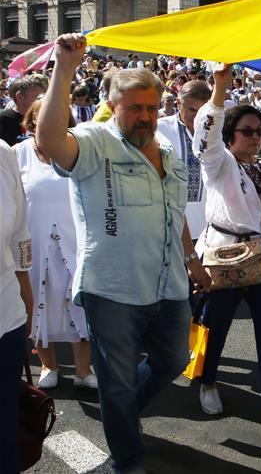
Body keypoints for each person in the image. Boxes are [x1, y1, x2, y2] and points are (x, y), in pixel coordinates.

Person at [35, 34, 201, 474]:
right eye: (134, 108)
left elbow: (175, 213)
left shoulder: (168, 153)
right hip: (113, 290)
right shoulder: (94, 143)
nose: (145, 116)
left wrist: (191, 259)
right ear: (114, 105)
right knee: (118, 382)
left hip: (169, 285)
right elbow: (52, 141)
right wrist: (65, 69)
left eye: (151, 107)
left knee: (173, 360)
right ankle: (126, 460)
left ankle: (124, 414)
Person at [192, 64, 261, 438]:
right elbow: (204, 140)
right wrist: (219, 89)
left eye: (260, 132)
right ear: (231, 136)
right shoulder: (219, 165)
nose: (255, 137)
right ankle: (207, 383)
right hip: (225, 260)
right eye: (247, 132)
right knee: (216, 327)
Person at [15, 101, 94, 390]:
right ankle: (49, 365)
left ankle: (83, 371)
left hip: (74, 238)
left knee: (79, 301)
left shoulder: (76, 149)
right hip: (33, 239)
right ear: (31, 121)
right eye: (40, 118)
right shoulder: (18, 153)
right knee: (37, 302)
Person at [0, 140, 33, 474]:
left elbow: (20, 230)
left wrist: (26, 286)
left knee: (4, 422)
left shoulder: (2, 152)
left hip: (5, 313)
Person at [157, 79, 213, 241]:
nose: (195, 116)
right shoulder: (159, 129)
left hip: (207, 229)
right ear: (178, 103)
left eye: (201, 111)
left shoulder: (215, 133)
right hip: (170, 229)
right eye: (191, 109)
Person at [0, 74, 47, 146]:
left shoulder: (42, 118)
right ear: (20, 97)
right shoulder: (3, 120)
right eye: (36, 95)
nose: (40, 99)